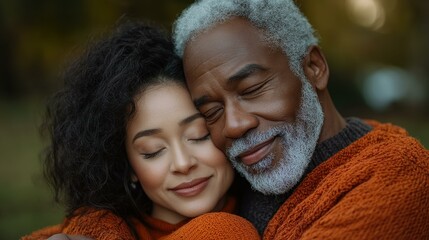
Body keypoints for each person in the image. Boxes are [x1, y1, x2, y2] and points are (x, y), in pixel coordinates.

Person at [173, 0, 429, 239]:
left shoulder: (398, 178)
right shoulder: (221, 183)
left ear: (314, 68)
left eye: (251, 90)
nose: (233, 125)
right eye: (211, 113)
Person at [21, 21, 259, 240]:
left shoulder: (271, 211)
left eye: (199, 135)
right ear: (129, 165)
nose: (183, 163)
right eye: (152, 151)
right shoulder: (90, 232)